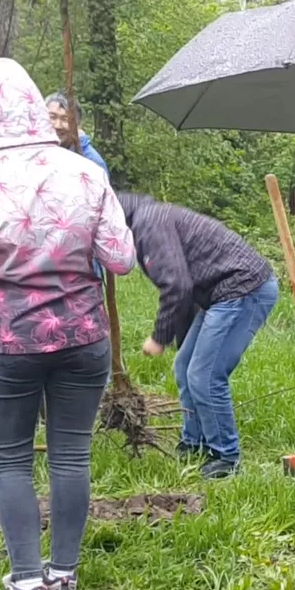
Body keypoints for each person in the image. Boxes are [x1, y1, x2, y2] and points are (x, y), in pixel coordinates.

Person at [0, 58, 137, 590]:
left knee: (9, 458)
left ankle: (27, 588)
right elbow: (121, 259)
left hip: (8, 342)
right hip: (83, 336)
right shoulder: (84, 172)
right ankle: (64, 580)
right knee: (71, 454)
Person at [115, 192, 279, 480]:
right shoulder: (147, 217)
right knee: (185, 366)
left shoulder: (147, 224)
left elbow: (177, 286)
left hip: (243, 289)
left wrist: (159, 337)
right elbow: (186, 290)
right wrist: (183, 342)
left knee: (206, 375)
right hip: (218, 294)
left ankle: (226, 457)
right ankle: (194, 442)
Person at [44, 92, 109, 174]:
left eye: (65, 119)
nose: (58, 125)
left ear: (78, 124)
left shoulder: (91, 161)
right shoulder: (35, 152)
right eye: (52, 117)